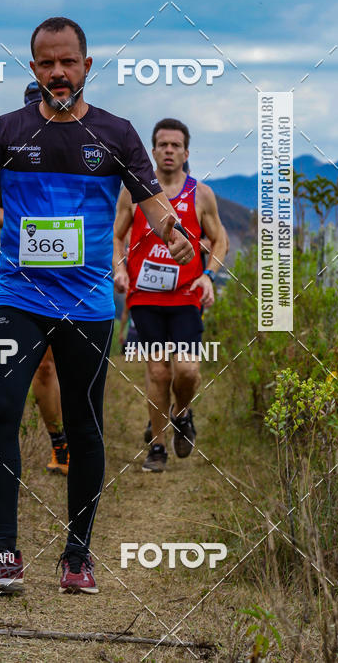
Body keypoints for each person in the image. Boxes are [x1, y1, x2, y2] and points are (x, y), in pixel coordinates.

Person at [0, 17, 194, 593]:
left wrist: (175, 234)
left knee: (85, 424)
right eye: (46, 63)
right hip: (19, 297)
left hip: (86, 304)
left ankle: (77, 557)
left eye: (68, 62)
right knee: (1, 410)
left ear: (86, 65)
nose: (58, 73)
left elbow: (152, 204)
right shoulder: (7, 129)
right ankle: (3, 557)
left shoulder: (117, 133)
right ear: (34, 69)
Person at [113, 118, 226, 473]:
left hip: (186, 295)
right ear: (153, 150)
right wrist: (119, 268)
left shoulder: (201, 194)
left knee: (187, 371)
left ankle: (181, 413)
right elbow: (117, 237)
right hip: (145, 297)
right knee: (159, 372)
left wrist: (209, 275)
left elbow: (220, 239)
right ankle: (157, 446)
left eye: (176, 145)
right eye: (162, 144)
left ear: (186, 152)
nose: (168, 150)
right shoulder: (133, 192)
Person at [0, 81, 69, 477]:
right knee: (43, 368)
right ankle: (59, 442)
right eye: (33, 105)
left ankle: (85, 436)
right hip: (27, 280)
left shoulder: (76, 148)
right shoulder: (12, 158)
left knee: (74, 365)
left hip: (75, 279)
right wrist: (32, 223)